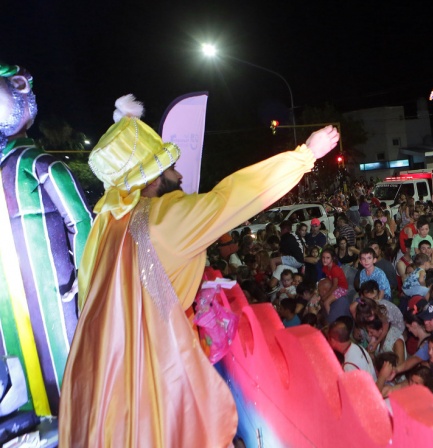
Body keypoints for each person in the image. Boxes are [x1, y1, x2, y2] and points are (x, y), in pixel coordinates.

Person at [59, 94, 339, 446]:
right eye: (170, 165)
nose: (179, 171)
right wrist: (305, 156)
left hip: (107, 375)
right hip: (158, 369)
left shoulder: (107, 224)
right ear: (153, 177)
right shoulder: (163, 220)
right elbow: (230, 198)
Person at [0, 63, 93, 416]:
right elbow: (84, 225)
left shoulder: (41, 165)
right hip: (24, 305)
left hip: (57, 299)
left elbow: (83, 226)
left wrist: (84, 287)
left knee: (62, 376)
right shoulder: (39, 165)